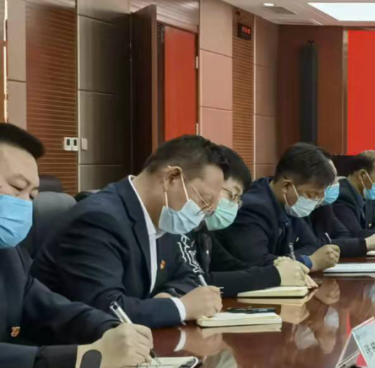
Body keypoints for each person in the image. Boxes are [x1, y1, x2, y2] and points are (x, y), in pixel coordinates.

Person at [0, 124, 154, 368]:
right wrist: (86, 358)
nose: (24, 203)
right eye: (17, 188)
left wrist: (110, 329)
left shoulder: (9, 253)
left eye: (32, 196)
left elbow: (51, 309)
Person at [32, 135, 228, 328]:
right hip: (69, 343)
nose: (203, 214)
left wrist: (168, 297)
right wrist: (181, 307)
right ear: (171, 178)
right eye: (203, 200)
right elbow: (106, 309)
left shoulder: (166, 218)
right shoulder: (98, 220)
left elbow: (189, 276)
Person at [179, 147, 314, 295]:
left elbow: (228, 265)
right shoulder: (176, 225)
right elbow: (195, 283)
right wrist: (275, 275)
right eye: (232, 196)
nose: (235, 206)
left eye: (238, 199)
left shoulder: (200, 227)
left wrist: (278, 266)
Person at [214, 143, 342, 271]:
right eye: (310, 195)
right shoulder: (252, 208)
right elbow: (256, 263)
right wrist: (307, 262)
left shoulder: (289, 204)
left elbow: (314, 246)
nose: (314, 202)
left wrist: (288, 260)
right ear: (286, 186)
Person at [309, 152, 375, 257]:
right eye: (331, 180)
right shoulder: (343, 196)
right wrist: (366, 242)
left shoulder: (324, 205)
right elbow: (355, 235)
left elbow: (344, 235)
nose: (337, 183)